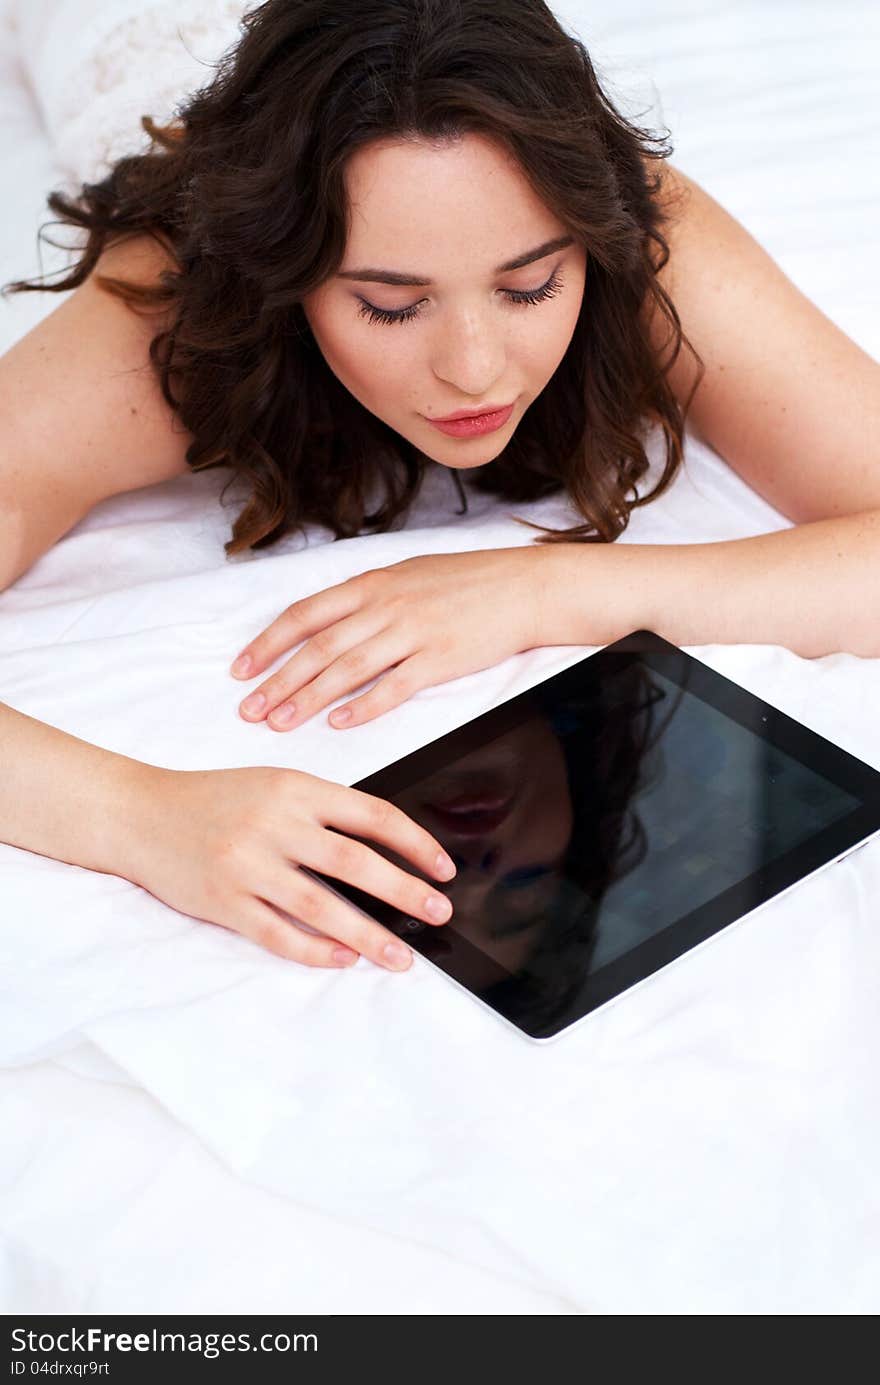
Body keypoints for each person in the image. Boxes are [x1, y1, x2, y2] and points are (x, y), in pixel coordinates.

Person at [1, 0, 878, 977]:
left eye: (529, 287)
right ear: (283, 278)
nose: (473, 370)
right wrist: (141, 816)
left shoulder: (628, 229)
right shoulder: (162, 328)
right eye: (389, 303)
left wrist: (547, 589)